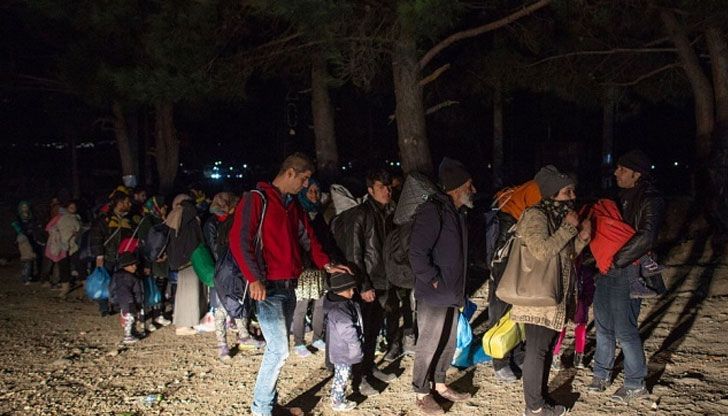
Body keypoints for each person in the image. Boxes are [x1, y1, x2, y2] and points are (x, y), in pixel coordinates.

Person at [228, 152, 351, 416]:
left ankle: (270, 406)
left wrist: (327, 265)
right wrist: (253, 278)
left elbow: (308, 239)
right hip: (267, 287)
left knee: (279, 349)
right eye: (304, 179)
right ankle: (262, 409)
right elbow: (239, 240)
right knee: (279, 350)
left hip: (288, 286)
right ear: (290, 172)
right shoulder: (256, 199)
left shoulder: (292, 205)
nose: (305, 185)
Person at [509, 165, 591, 416]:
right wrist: (568, 229)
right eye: (567, 192)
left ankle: (541, 398)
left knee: (544, 347)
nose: (572, 196)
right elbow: (542, 251)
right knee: (537, 349)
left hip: (552, 295)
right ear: (552, 194)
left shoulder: (556, 216)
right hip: (536, 296)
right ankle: (534, 407)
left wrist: (582, 238)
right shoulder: (536, 215)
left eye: (572, 191)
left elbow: (564, 256)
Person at [588, 150, 664, 403]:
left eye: (622, 169)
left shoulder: (650, 199)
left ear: (637, 174)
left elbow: (647, 236)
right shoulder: (620, 197)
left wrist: (617, 259)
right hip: (608, 268)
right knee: (603, 325)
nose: (616, 172)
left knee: (625, 329)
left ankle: (635, 383)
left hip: (628, 269)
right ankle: (601, 374)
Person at [408, 157, 476, 415]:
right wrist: (433, 279)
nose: (474, 190)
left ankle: (440, 383)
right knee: (429, 343)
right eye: (469, 186)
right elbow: (417, 253)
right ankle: (421, 392)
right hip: (434, 293)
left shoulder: (458, 213)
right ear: (457, 188)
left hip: (451, 292)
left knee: (448, 341)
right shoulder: (433, 211)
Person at [337, 168, 398, 395]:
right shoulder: (361, 214)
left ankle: (369, 368)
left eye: (388, 186)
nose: (387, 191)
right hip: (369, 283)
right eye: (381, 187)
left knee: (373, 331)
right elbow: (354, 254)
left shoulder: (388, 212)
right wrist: (363, 285)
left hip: (384, 281)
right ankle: (359, 378)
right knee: (361, 333)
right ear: (370, 190)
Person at [488, 179, 542, 382]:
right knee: (502, 304)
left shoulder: (521, 194)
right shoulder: (536, 192)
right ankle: (500, 359)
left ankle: (517, 354)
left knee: (518, 305)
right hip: (506, 250)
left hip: (513, 247)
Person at [292, 179, 328, 357]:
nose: (314, 195)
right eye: (310, 191)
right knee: (302, 305)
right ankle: (299, 342)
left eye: (316, 191)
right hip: (304, 269)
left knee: (320, 303)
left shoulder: (321, 214)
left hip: (320, 266)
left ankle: (317, 337)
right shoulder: (299, 214)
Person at [165, 194, 207, 336]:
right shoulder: (185, 212)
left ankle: (189, 321)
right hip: (188, 258)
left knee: (187, 290)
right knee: (189, 291)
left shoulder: (174, 214)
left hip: (181, 259)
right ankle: (183, 325)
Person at [89, 191, 134, 316]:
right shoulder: (105, 220)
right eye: (127, 202)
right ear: (119, 204)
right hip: (107, 256)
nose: (130, 204)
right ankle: (103, 306)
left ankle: (116, 305)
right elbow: (96, 237)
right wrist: (99, 255)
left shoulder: (128, 221)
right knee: (104, 281)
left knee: (119, 282)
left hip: (121, 257)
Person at [324, 272, 364, 412]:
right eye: (349, 290)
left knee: (342, 374)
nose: (353, 292)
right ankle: (337, 401)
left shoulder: (340, 305)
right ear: (341, 291)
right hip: (343, 351)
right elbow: (349, 332)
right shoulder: (340, 310)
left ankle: (338, 398)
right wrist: (356, 348)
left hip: (341, 349)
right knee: (342, 376)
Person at [137, 195, 172, 331]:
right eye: (162, 206)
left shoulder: (162, 220)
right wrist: (147, 262)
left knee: (159, 289)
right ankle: (146, 319)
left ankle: (158, 314)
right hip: (150, 262)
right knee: (149, 290)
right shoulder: (147, 221)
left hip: (161, 262)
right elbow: (144, 244)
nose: (165, 208)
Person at [11, 201, 45, 283]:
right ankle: (26, 276)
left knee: (35, 257)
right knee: (27, 258)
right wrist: (22, 234)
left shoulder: (32, 217)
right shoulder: (17, 218)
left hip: (33, 239)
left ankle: (34, 274)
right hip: (24, 239)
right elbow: (16, 227)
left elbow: (36, 226)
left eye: (26, 207)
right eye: (23, 207)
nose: (25, 209)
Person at [114, 252, 143, 344]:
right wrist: (131, 302)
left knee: (133, 317)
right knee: (129, 319)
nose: (135, 267)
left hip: (129, 301)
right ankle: (128, 336)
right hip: (128, 302)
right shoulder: (126, 277)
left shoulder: (124, 276)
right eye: (132, 265)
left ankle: (132, 332)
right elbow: (125, 292)